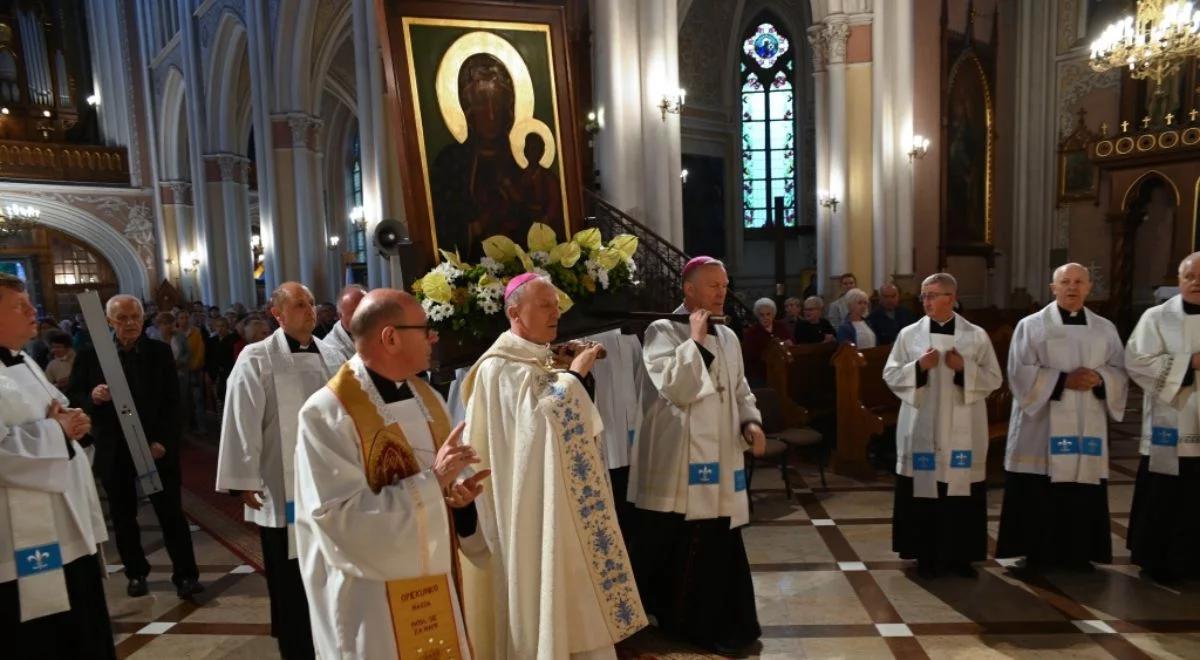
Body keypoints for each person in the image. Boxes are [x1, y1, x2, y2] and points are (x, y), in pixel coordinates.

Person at [459, 273, 647, 659]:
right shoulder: (499, 367)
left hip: (561, 502)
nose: (555, 313)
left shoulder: (532, 356)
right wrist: (576, 372)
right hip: (530, 508)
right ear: (514, 311)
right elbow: (541, 423)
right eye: (545, 305)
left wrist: (565, 372)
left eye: (557, 305)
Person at [295, 288, 489, 659]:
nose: (433, 337)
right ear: (391, 337)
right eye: (424, 329)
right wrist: (433, 483)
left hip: (435, 584)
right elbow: (341, 519)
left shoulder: (426, 398)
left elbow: (443, 483)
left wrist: (459, 506)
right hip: (372, 598)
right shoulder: (327, 414)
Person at [628, 256, 765, 655]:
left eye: (724, 284)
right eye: (713, 286)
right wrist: (696, 341)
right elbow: (677, 389)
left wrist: (750, 422)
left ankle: (732, 623)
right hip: (678, 464)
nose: (722, 292)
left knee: (721, 540)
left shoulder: (729, 336)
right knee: (680, 544)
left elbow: (740, 390)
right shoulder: (662, 331)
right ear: (689, 290)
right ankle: (687, 626)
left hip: (720, 458)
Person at [215, 282, 343, 659]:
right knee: (289, 578)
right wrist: (243, 479)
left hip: (330, 486)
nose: (309, 311)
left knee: (328, 567)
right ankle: (296, 646)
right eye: (299, 305)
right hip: (279, 484)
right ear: (278, 314)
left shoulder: (334, 355)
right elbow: (241, 419)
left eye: (311, 304)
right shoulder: (256, 358)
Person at [0, 274, 113, 659]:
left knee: (84, 627)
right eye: (20, 306)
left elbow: (58, 413)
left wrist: (72, 422)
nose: (34, 311)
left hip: (67, 524)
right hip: (20, 544)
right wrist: (57, 430)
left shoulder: (25, 360)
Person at [68, 295, 202, 599]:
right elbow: (75, 395)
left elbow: (172, 403)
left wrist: (163, 442)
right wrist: (94, 396)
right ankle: (136, 573)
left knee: (170, 514)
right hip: (114, 449)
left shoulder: (159, 352)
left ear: (144, 319)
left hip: (154, 448)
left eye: (135, 317)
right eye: (122, 318)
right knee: (123, 515)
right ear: (108, 321)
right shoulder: (91, 355)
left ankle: (186, 576)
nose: (130, 324)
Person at [996, 263, 1127, 572]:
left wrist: (1100, 378)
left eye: (1078, 281)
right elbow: (1018, 371)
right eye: (1065, 282)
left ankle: (1079, 553)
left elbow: (1120, 368)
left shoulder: (1105, 328)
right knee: (1039, 488)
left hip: (1087, 419)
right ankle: (1036, 552)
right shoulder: (1031, 325)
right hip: (1041, 424)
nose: (1072, 287)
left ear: (1089, 288)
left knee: (1082, 485)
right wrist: (1062, 381)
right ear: (1052, 288)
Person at [882, 273, 1001, 579]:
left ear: (951, 297)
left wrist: (966, 369)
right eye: (923, 296)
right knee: (924, 489)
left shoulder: (975, 336)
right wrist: (919, 368)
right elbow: (891, 375)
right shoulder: (909, 335)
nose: (926, 301)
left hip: (964, 428)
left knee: (960, 490)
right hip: (922, 425)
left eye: (933, 295)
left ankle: (961, 556)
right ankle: (924, 555)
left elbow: (994, 379)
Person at [1124, 251, 1200, 583]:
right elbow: (1137, 360)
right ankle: (1157, 559)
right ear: (1179, 280)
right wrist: (1188, 364)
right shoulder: (1156, 317)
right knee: (1165, 492)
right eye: (1190, 277)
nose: (1196, 283)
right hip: (1172, 422)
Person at [585, 325, 646, 540]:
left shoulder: (627, 334)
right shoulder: (577, 333)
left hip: (629, 440)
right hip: (599, 441)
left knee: (631, 519)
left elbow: (641, 381)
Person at [742, 297, 792, 386]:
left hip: (782, 370)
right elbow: (749, 355)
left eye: (768, 314)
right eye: (762, 315)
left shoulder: (781, 326)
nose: (766, 317)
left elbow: (791, 342)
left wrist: (788, 344)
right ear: (757, 316)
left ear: (773, 314)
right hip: (760, 374)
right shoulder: (752, 332)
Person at [322, 284, 366, 360]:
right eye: (355, 312)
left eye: (366, 309)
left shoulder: (380, 329)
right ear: (340, 316)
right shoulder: (329, 347)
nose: (362, 316)